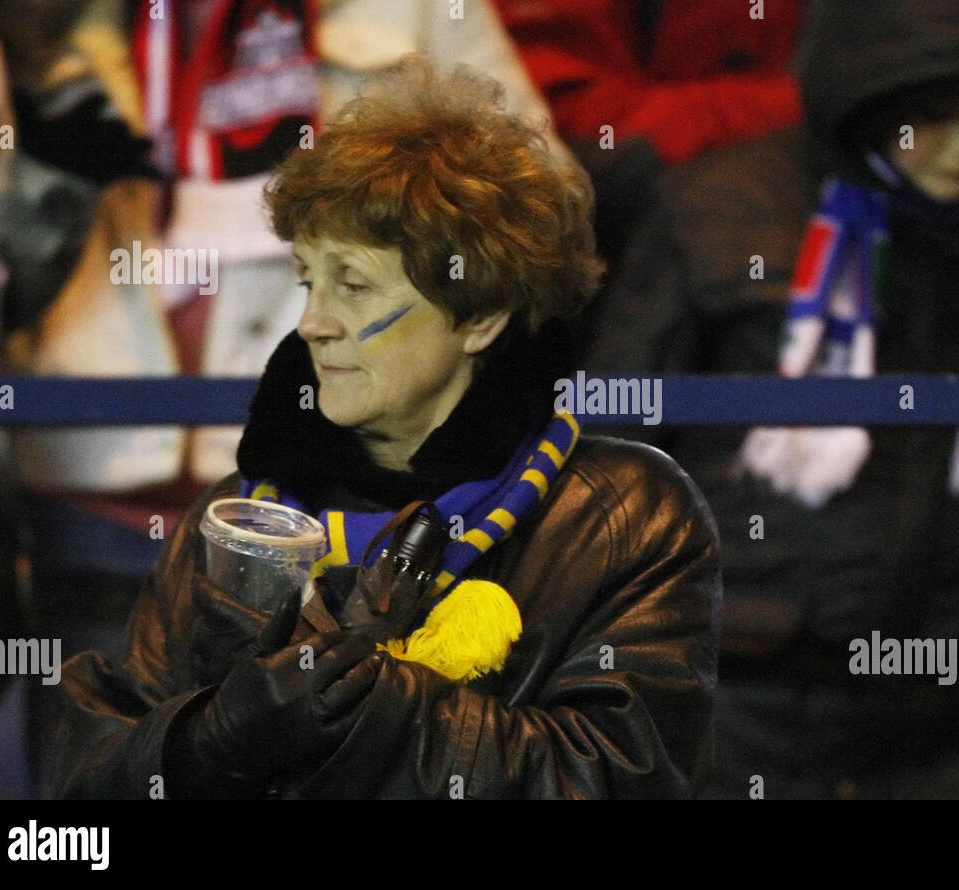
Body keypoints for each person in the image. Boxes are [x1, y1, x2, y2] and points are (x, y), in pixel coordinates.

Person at [46, 55, 721, 800]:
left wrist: (362, 705)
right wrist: (207, 742)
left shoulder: (623, 516)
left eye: (354, 285)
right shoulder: (235, 516)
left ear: (481, 314)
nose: (310, 323)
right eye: (308, 278)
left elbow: (609, 782)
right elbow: (83, 804)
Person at [584, 0, 959, 798]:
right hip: (734, 700)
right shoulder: (716, 210)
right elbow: (608, 471)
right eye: (932, 116)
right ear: (863, 93)